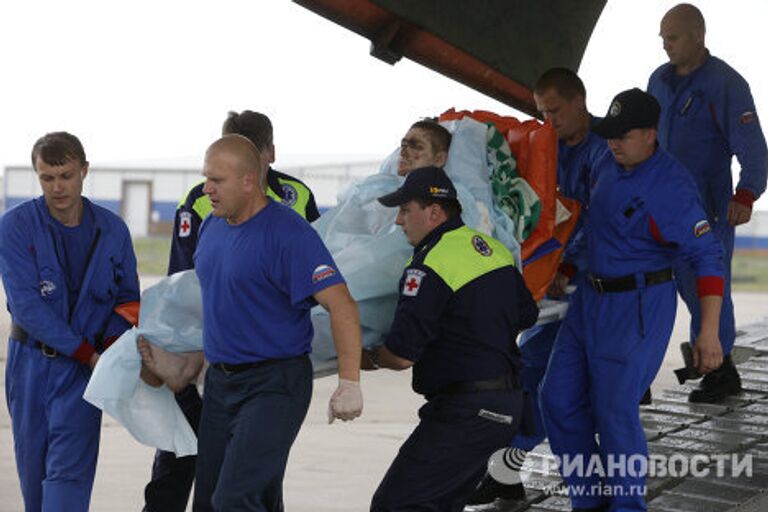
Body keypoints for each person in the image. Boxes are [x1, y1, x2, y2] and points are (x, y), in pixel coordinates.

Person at [539, 88, 725, 511]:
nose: (613, 142)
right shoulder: (606, 159)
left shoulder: (673, 187)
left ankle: (627, 507)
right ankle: (588, 501)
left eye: (624, 136)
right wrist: (568, 265)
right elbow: (592, 219)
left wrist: (709, 333)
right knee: (558, 398)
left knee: (614, 413)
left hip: (637, 307)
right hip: (589, 298)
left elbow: (708, 258)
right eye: (610, 134)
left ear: (650, 135)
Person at [142, 110, 321, 512]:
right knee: (179, 459)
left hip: (267, 365)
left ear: (266, 156)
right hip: (213, 354)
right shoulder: (201, 203)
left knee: (247, 483)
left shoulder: (296, 199)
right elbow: (181, 286)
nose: (214, 185)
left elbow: (324, 273)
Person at [190, 134, 363, 511]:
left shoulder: (289, 234)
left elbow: (342, 304)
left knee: (234, 500)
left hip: (273, 385)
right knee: (211, 501)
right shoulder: (212, 226)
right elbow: (217, 300)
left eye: (217, 181)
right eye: (206, 178)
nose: (207, 190)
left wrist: (349, 382)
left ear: (249, 180)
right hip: (221, 383)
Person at [468, 67, 610, 506]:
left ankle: (598, 488)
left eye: (555, 112)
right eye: (541, 113)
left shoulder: (608, 150)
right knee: (527, 376)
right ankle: (507, 472)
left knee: (568, 394)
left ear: (580, 101)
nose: (548, 122)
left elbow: (598, 220)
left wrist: (567, 268)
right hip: (553, 289)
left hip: (596, 289)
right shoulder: (548, 148)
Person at [364, 165, 539, 511]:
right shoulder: (492, 249)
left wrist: (365, 358)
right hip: (506, 405)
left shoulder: (429, 264)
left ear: (433, 211)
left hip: (467, 412)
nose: (399, 221)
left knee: (394, 505)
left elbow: (400, 356)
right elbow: (526, 315)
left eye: (404, 210)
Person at [0, 132, 140, 511]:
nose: (57, 187)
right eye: (47, 178)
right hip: (30, 368)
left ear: (84, 171)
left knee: (67, 485)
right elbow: (27, 307)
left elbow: (129, 301)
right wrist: (86, 353)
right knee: (35, 483)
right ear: (37, 176)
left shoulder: (113, 230)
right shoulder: (14, 227)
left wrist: (107, 352)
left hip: (84, 374)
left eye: (66, 175)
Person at [647, 3, 768, 403]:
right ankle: (645, 371)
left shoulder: (726, 84)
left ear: (698, 35)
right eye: (662, 37)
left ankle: (721, 368)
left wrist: (746, 193)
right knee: (656, 284)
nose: (665, 45)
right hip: (660, 206)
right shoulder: (658, 82)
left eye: (673, 37)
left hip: (707, 207)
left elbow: (752, 147)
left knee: (706, 286)